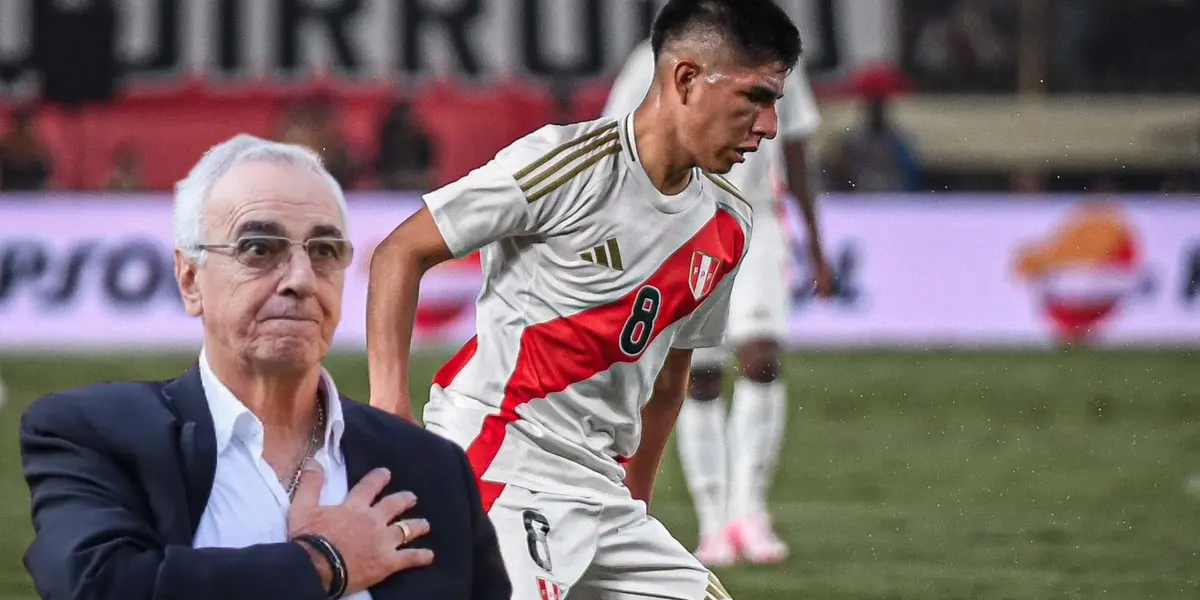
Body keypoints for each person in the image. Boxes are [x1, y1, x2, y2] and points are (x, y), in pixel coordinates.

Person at [366, 1, 801, 597]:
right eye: (755, 97)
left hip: (602, 490)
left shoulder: (729, 222)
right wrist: (390, 405)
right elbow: (399, 253)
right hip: (503, 462)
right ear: (686, 79)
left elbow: (671, 378)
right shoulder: (566, 164)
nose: (769, 126)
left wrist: (637, 504)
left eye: (775, 102)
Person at [19, 134, 511, 600]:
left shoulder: (432, 467)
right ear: (190, 280)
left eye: (323, 251)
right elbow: (97, 587)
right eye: (258, 249)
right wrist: (322, 563)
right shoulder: (96, 434)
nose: (300, 279)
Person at [600, 26, 835, 566]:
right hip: (682, 229)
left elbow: (795, 151)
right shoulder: (657, 59)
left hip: (756, 225)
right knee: (696, 375)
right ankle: (713, 523)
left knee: (761, 357)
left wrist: (816, 247)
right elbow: (619, 138)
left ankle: (748, 511)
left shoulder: (776, 57)